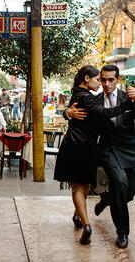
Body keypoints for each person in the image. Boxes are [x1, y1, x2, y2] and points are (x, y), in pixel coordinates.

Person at [54, 65, 133, 245]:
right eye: (101, 79)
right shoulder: (93, 98)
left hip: (124, 149)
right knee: (113, 183)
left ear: (117, 79)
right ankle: (117, 231)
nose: (104, 83)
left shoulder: (126, 96)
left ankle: (98, 203)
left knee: (118, 191)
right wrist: (67, 113)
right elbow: (77, 110)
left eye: (109, 80)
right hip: (101, 149)